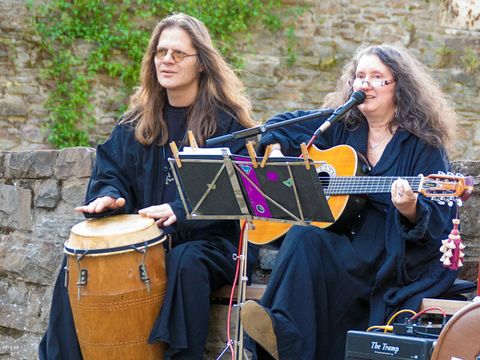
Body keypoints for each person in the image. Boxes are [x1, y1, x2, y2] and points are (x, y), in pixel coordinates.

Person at [39, 13, 258, 360]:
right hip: (144, 245)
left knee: (186, 261)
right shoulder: (136, 123)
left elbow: (238, 191)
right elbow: (110, 171)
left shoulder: (225, 122)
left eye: (178, 54)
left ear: (201, 62)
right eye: (160, 52)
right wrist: (108, 198)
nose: (166, 60)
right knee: (77, 261)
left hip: (209, 242)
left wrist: (179, 212)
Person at [240, 44, 459, 359]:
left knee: (306, 243)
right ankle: (281, 333)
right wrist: (274, 152)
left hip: (386, 250)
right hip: (342, 240)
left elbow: (438, 219)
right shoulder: (342, 125)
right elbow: (281, 124)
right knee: (303, 235)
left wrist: (410, 209)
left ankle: (279, 336)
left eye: (376, 77)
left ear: (400, 86)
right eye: (359, 76)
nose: (364, 84)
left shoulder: (422, 144)